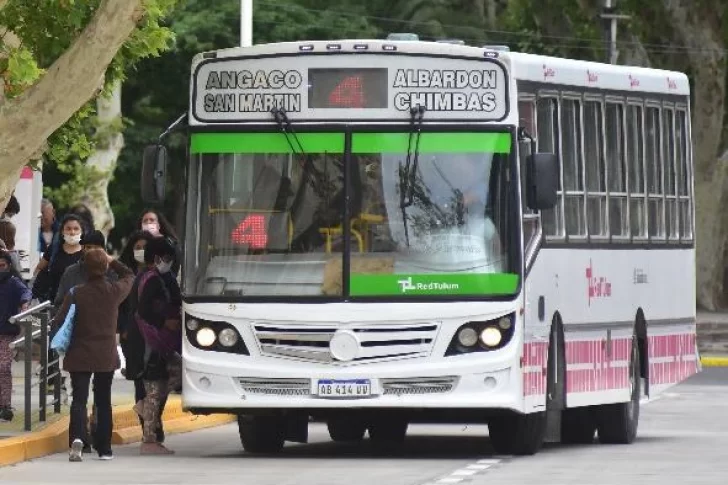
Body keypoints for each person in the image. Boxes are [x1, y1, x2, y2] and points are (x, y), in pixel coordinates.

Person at [51, 249, 134, 462]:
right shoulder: (114, 291)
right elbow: (130, 276)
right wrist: (113, 261)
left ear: (84, 268)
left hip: (79, 353)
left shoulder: (76, 292)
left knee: (79, 399)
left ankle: (78, 438)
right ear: (105, 267)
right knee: (103, 400)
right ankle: (104, 448)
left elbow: (60, 319)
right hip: (105, 354)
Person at [134, 237, 182, 455]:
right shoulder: (151, 279)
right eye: (167, 258)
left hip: (161, 342)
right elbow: (143, 311)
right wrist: (165, 322)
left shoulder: (164, 277)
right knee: (155, 389)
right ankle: (149, 440)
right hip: (152, 342)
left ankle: (144, 408)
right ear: (156, 258)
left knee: (170, 378)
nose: (169, 262)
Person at [117, 230, 165, 442]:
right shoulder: (124, 275)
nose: (141, 251)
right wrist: (122, 329)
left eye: (144, 247)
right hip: (133, 336)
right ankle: (148, 428)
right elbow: (118, 306)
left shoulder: (161, 274)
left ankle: (154, 419)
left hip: (157, 335)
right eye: (137, 247)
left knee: (159, 381)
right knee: (140, 382)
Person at [0, 251, 32, 422]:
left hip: (6, 332)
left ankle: (5, 405)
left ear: (9, 266)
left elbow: (25, 292)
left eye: (2, 266)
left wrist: (25, 304)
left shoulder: (13, 283)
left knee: (3, 367)